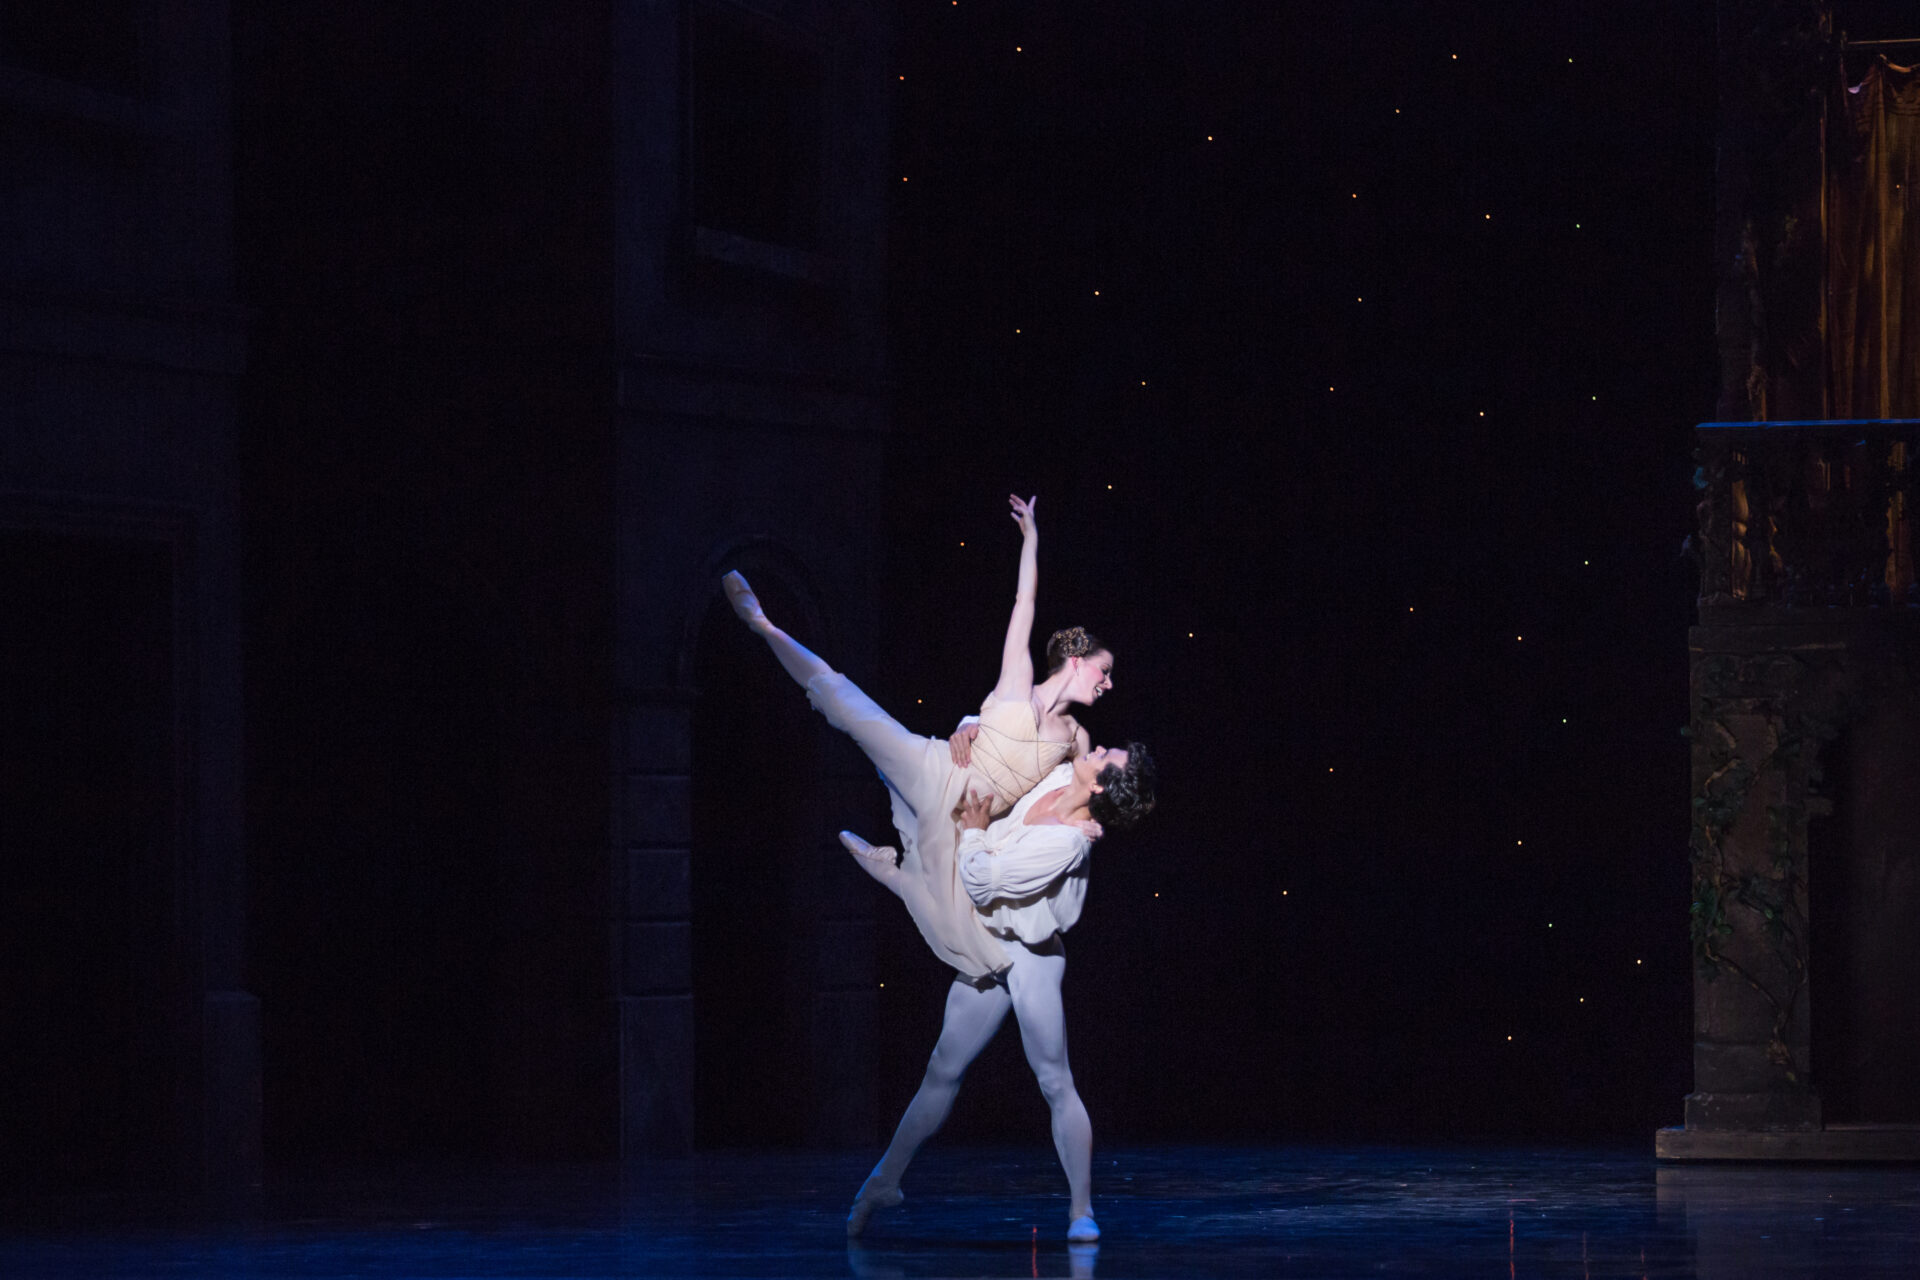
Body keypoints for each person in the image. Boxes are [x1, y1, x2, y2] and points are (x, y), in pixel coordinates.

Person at [720, 494, 1116, 980]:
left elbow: (1083, 794)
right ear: (1077, 663)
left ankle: (888, 869)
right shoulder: (1019, 678)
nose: (1109, 682)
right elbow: (1024, 602)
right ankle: (762, 623)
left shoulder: (1078, 738)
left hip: (971, 816)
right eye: (1105, 670)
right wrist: (1031, 538)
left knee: (960, 930)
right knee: (845, 703)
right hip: (940, 769)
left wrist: (1087, 828)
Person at [846, 742, 1155, 1243]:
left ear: (1098, 785)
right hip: (985, 942)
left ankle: (1082, 1211)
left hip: (1031, 954)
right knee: (941, 1069)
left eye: (1104, 755)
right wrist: (970, 729)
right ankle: (884, 1181)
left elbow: (984, 883)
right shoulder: (1058, 776)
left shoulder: (1069, 842)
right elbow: (1031, 737)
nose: (1096, 746)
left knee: (1054, 1080)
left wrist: (973, 832)